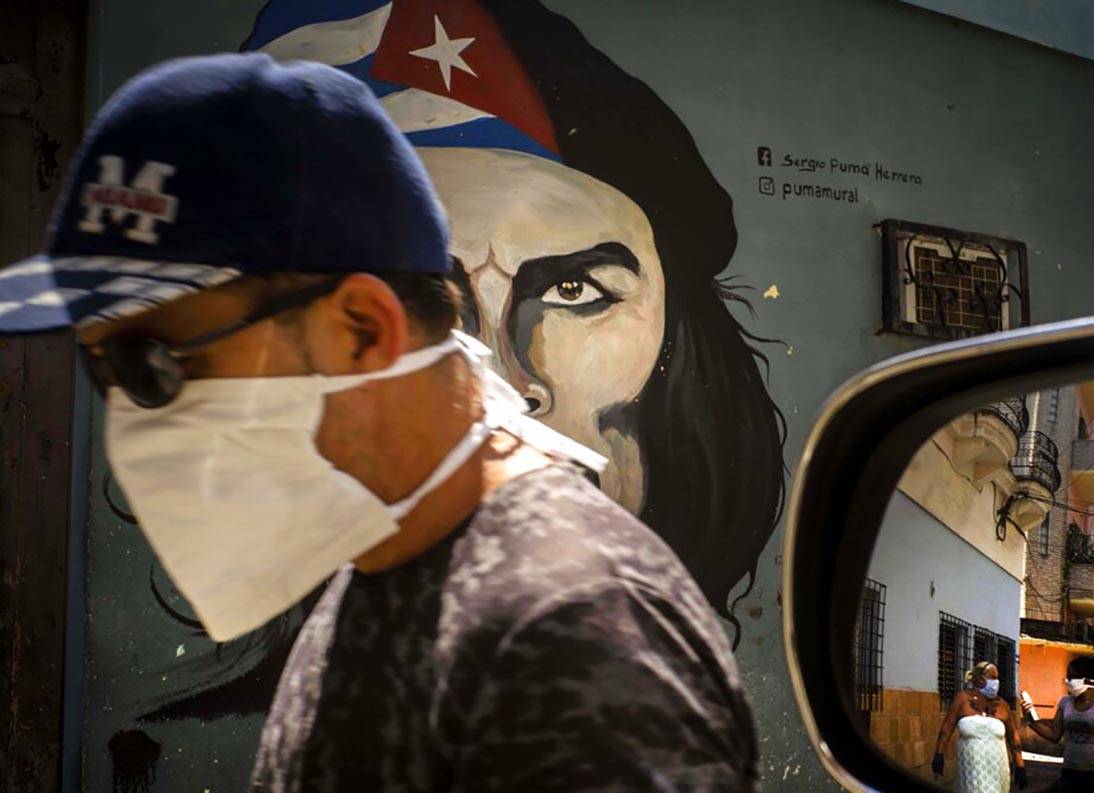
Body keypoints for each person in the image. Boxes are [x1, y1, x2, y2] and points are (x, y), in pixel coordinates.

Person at [0, 53, 760, 791]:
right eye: (103, 368)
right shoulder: (388, 556)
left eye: (152, 362)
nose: (132, 412)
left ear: (361, 329)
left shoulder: (570, 625)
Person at [1021, 657, 1094, 793]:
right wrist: (1030, 720)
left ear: (1088, 679)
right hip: (1070, 771)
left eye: (1071, 677)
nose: (1067, 681)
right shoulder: (1065, 703)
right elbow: (1054, 735)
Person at [931, 662, 1027, 792]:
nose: (996, 682)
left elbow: (1013, 737)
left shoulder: (1002, 705)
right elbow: (946, 730)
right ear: (979, 679)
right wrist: (939, 755)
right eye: (992, 678)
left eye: (997, 678)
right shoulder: (962, 699)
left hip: (997, 769)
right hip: (971, 768)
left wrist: (1020, 765)